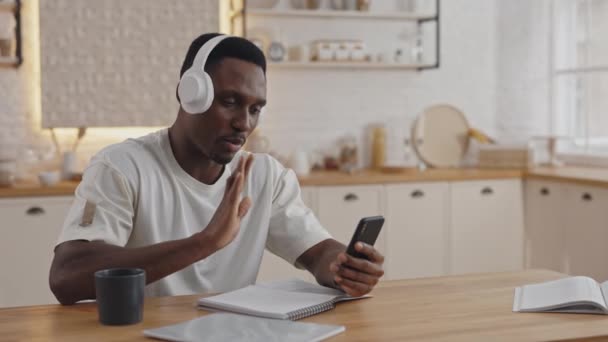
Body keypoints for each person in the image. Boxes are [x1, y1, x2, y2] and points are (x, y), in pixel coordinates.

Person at [49, 33, 385, 305]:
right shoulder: (122, 167)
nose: (244, 123)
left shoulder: (265, 175)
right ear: (188, 93)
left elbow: (318, 253)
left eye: (255, 109)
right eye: (230, 102)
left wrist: (344, 268)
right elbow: (67, 276)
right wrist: (204, 242)